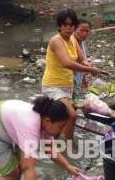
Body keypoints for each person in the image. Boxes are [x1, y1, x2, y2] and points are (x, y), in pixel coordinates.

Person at [42, 9, 100, 140]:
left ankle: (53, 144)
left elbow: (81, 59)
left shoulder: (73, 40)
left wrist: (88, 66)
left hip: (67, 86)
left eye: (71, 25)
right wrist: (90, 70)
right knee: (71, 115)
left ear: (74, 26)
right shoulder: (56, 41)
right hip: (53, 86)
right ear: (59, 26)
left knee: (59, 119)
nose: (68, 28)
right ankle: (68, 147)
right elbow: (66, 63)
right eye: (65, 25)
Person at [73, 20, 93, 97]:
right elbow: (69, 64)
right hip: (67, 80)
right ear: (74, 29)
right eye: (81, 30)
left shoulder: (81, 43)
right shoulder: (69, 44)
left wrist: (85, 84)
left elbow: (82, 61)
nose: (84, 33)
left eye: (87, 31)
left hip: (76, 80)